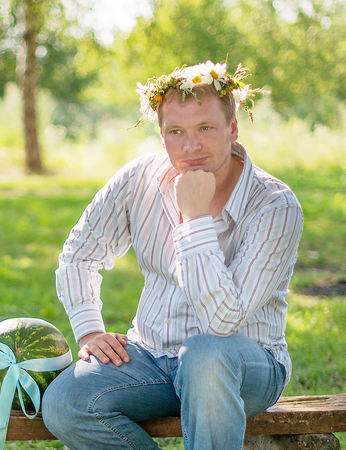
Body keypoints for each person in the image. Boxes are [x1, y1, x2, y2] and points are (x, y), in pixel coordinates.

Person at [42, 61, 303, 450]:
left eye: (205, 128)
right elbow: (79, 253)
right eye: (176, 132)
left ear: (232, 128)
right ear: (161, 136)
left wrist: (194, 219)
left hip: (244, 366)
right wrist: (89, 329)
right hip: (152, 356)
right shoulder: (139, 178)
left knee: (204, 355)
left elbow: (221, 321)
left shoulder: (275, 205)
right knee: (66, 403)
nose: (190, 146)